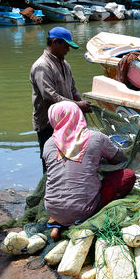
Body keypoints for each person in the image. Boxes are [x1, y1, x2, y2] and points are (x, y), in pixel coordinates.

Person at [43, 101, 135, 239]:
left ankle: (57, 223)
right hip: (83, 210)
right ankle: (79, 220)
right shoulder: (96, 137)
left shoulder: (48, 143)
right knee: (128, 175)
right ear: (78, 115)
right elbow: (119, 158)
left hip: (52, 209)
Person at [30, 27, 91, 172]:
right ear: (56, 42)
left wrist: (81, 104)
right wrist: (78, 105)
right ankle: (48, 192)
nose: (68, 50)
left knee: (68, 159)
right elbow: (50, 96)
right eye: (66, 46)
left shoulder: (65, 64)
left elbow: (73, 89)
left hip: (67, 121)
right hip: (48, 123)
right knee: (50, 162)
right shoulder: (42, 66)